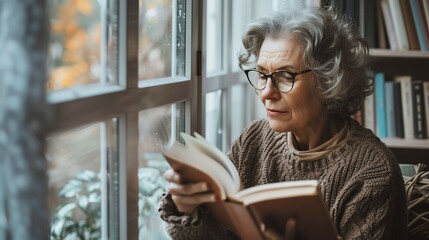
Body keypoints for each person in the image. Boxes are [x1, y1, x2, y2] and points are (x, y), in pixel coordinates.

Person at [159, 6, 408, 240]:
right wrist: (187, 210)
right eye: (262, 75)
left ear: (329, 80)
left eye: (284, 76)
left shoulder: (373, 174)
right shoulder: (254, 140)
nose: (267, 92)